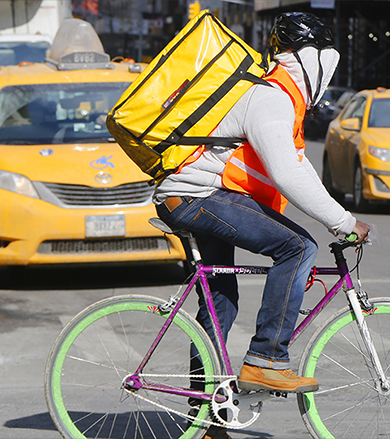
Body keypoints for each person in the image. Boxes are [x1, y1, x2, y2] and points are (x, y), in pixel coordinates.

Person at [154, 12, 370, 434]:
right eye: (326, 57)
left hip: (189, 194)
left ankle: (205, 418)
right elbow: (286, 175)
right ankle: (266, 361)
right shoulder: (271, 97)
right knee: (298, 248)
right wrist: (342, 221)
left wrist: (339, 219)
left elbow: (298, 167)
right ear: (312, 58)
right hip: (196, 196)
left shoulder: (278, 96)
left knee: (219, 303)